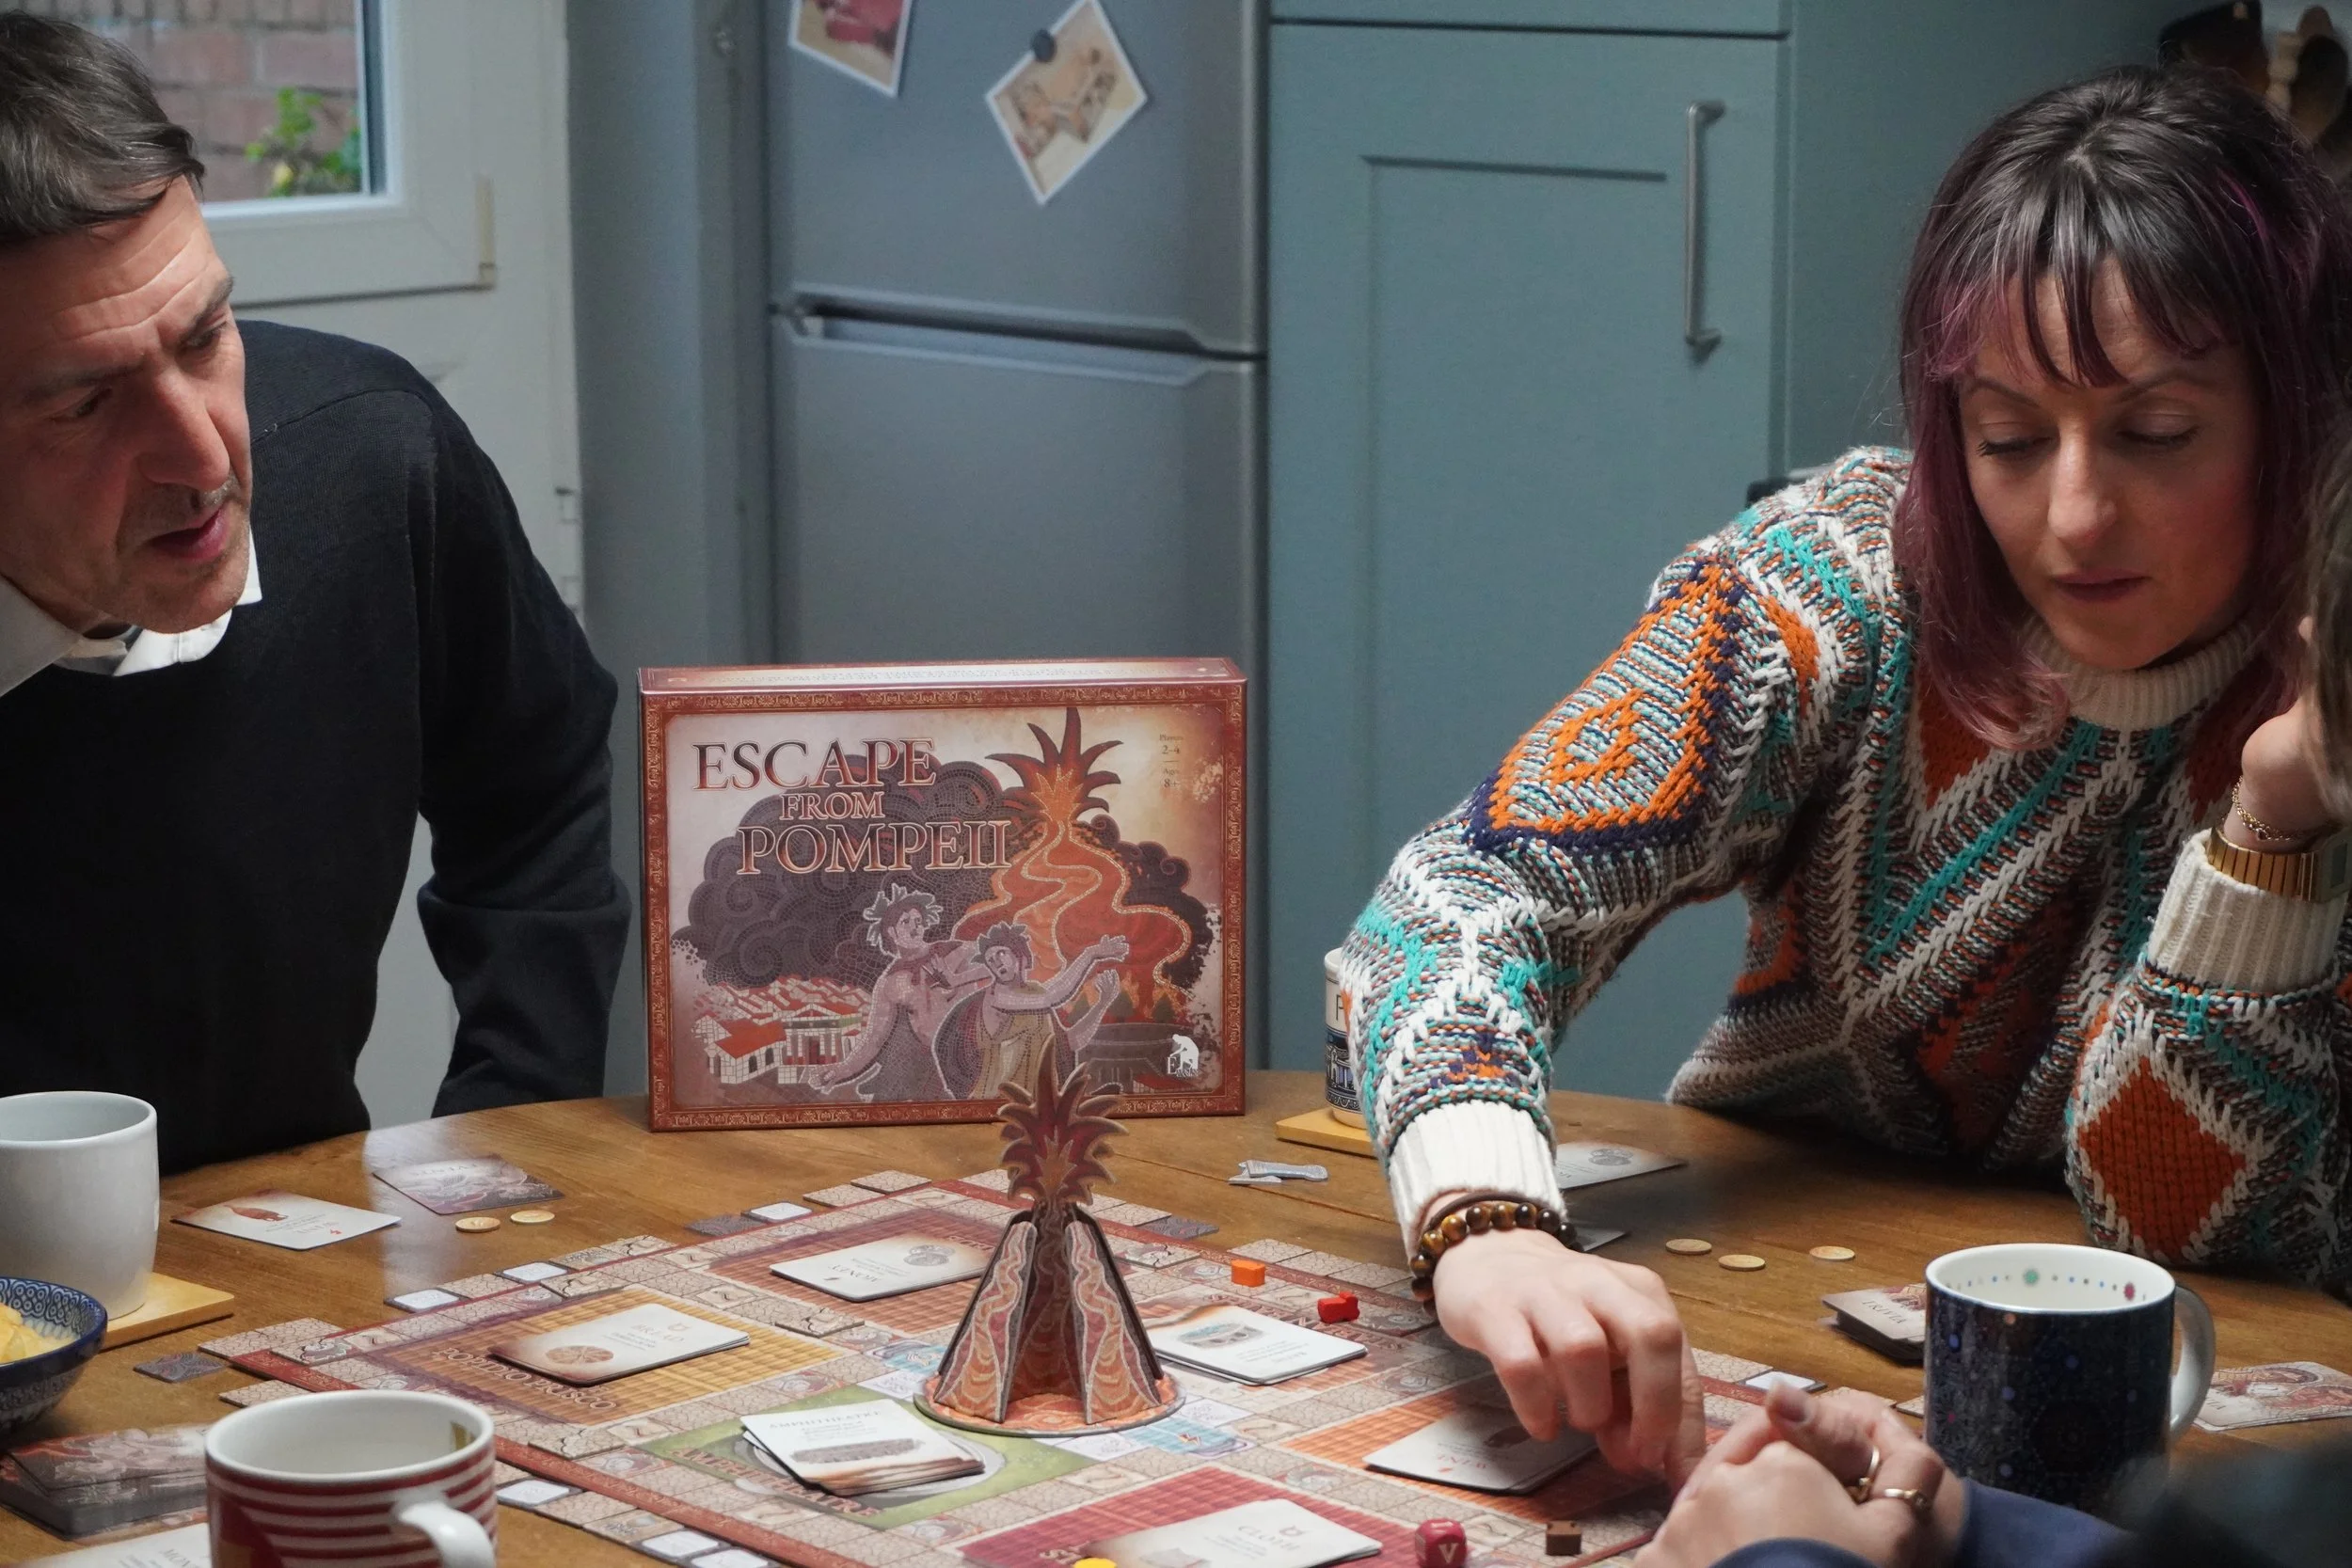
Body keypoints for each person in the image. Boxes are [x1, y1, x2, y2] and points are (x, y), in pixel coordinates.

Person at [1339, 63, 2352, 1485]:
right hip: (1774, 1368)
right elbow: (1463, 893)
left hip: (2224, 1454)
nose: (2070, 513)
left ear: (2301, 413)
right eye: (2007, 437)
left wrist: (2277, 820)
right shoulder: (1849, 577)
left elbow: (2179, 1229)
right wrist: (1484, 1219)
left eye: (2156, 431)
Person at [0, 17, 628, 1170]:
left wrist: (508, 1133)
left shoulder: (366, 452)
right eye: (87, 405)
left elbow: (537, 776)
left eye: (204, 339)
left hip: (300, 1249)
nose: (202, 460)